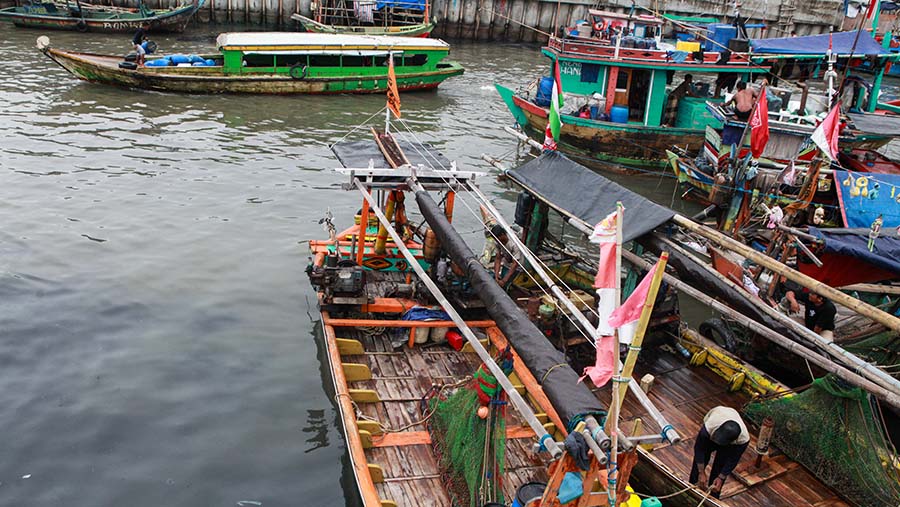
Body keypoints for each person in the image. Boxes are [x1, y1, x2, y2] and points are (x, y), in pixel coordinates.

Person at [690, 406, 750, 498]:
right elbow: (699, 449)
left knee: (721, 464)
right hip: (713, 431)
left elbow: (732, 460)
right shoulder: (709, 427)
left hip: (730, 444)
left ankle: (713, 495)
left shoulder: (743, 440)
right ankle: (692, 486)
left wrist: (721, 477)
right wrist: (701, 472)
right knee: (701, 460)